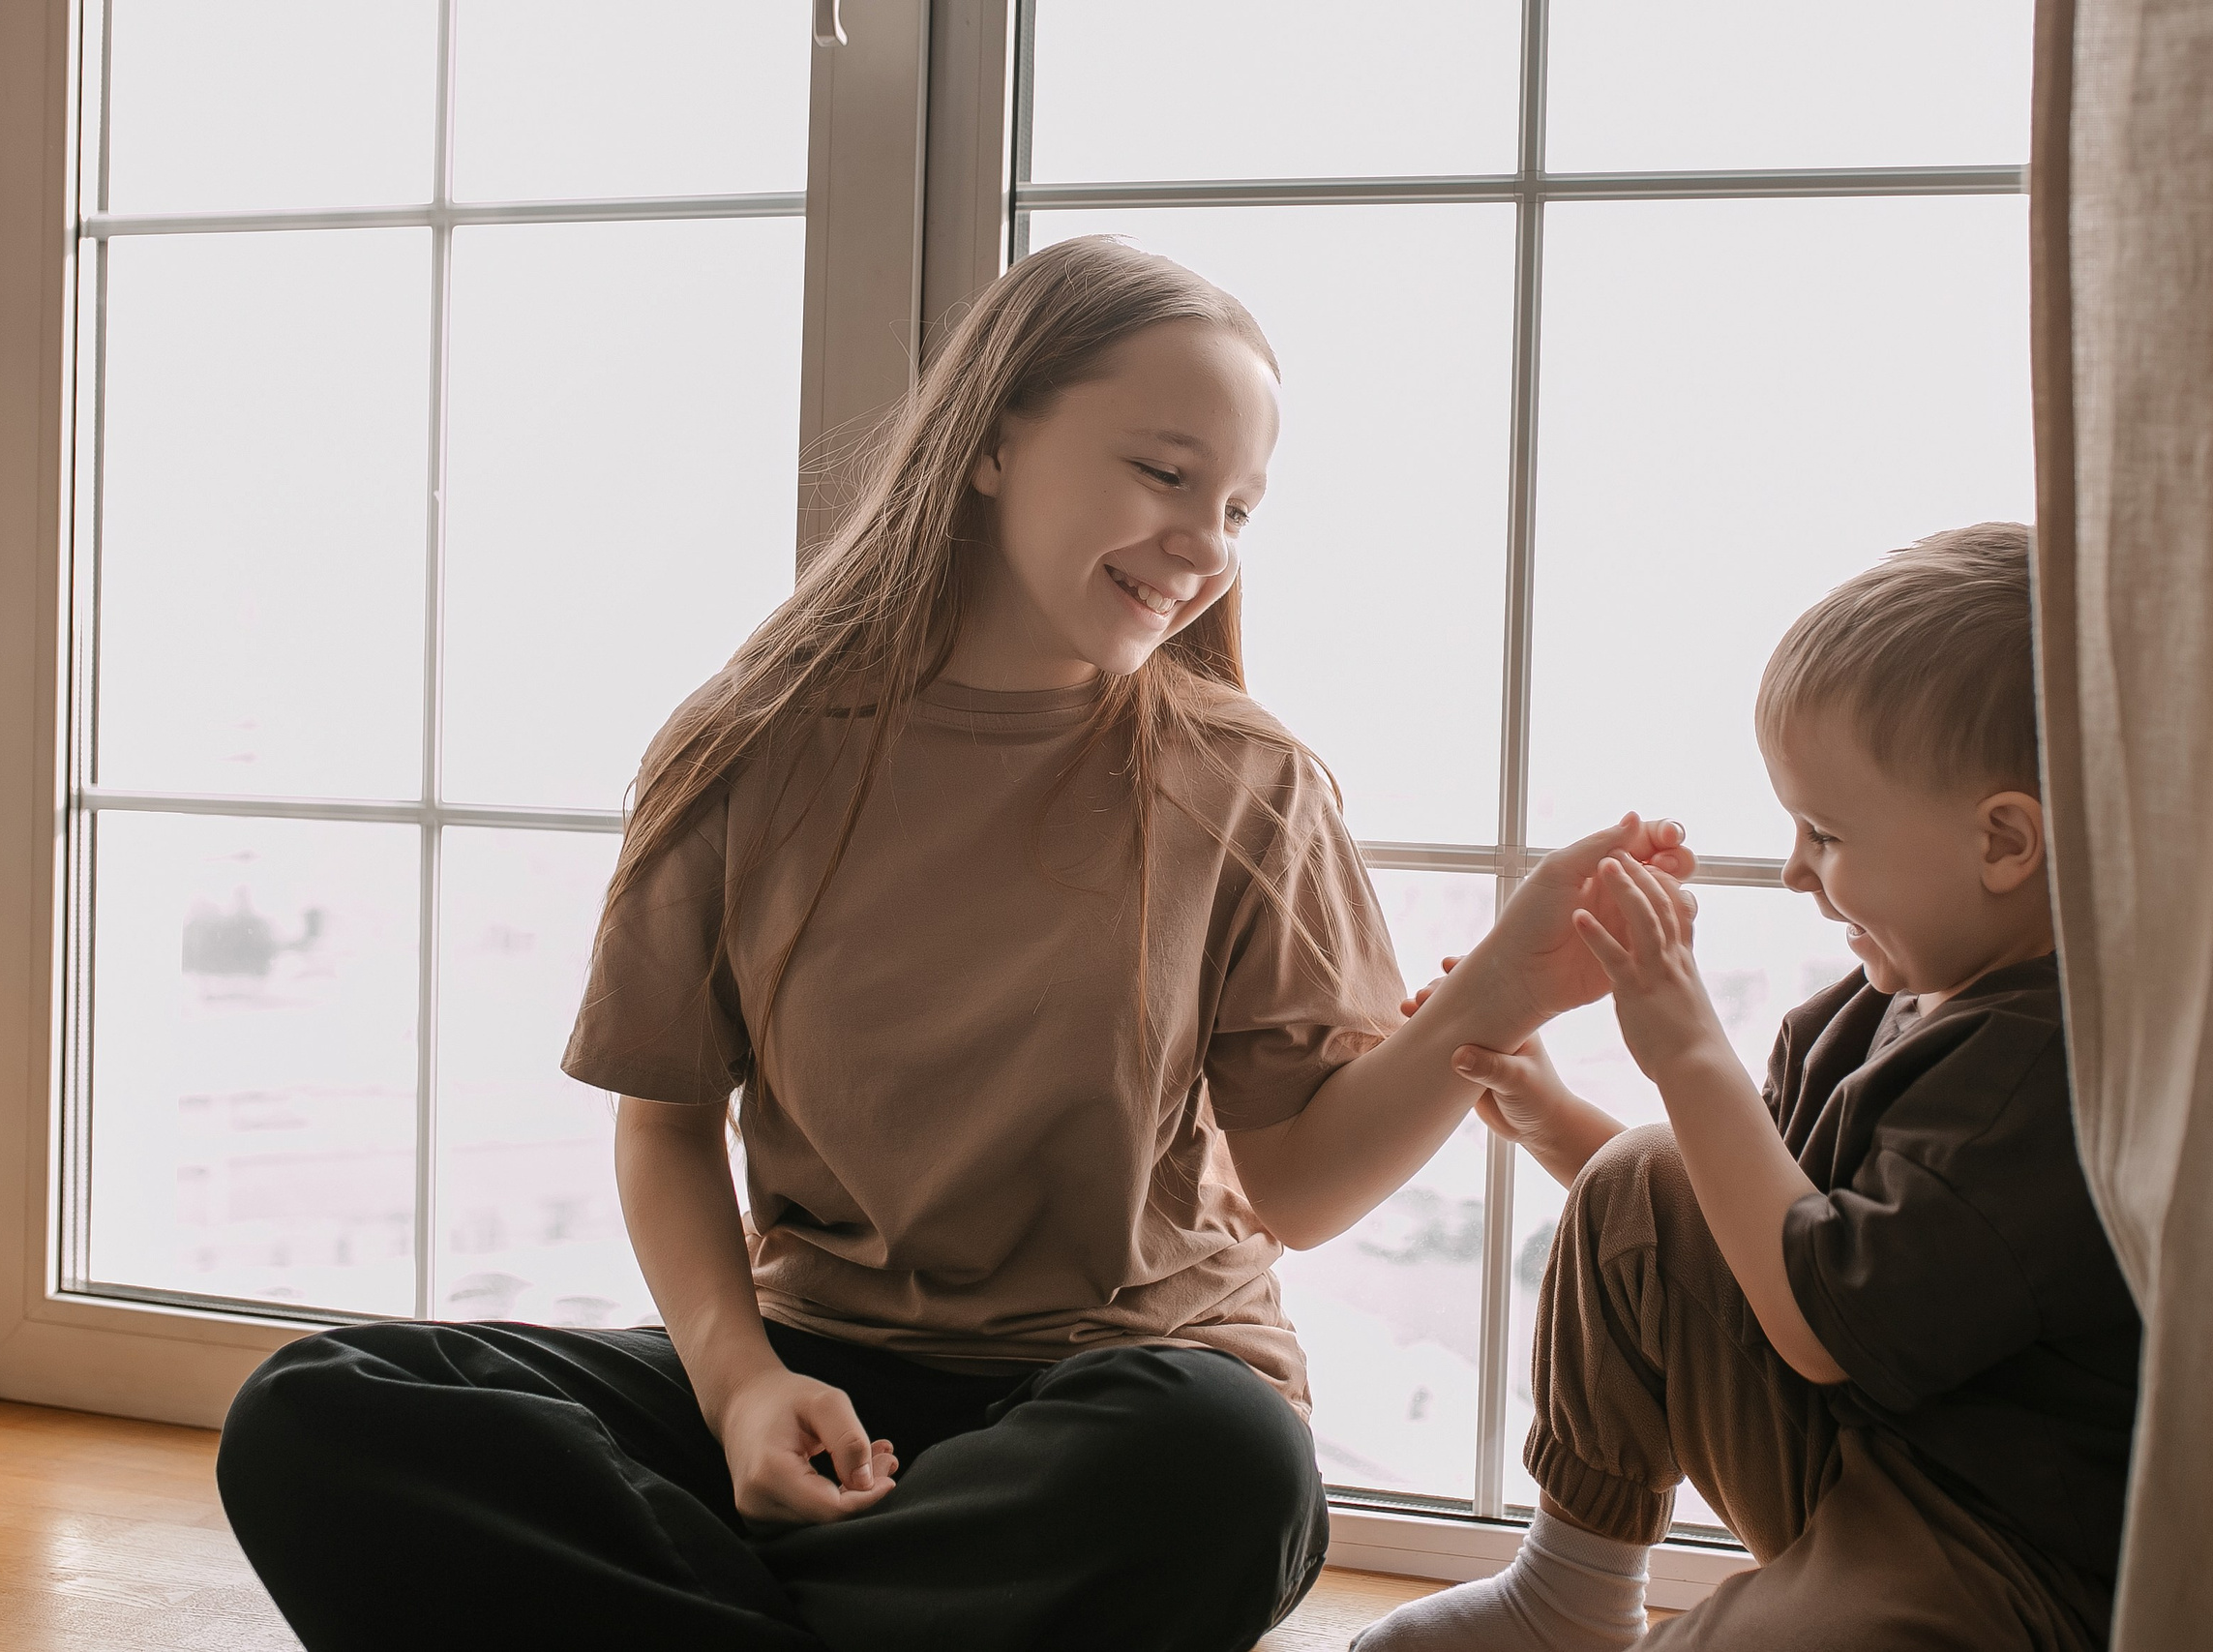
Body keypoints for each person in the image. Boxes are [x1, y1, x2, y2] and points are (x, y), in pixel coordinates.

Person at [214, 236, 1694, 1652]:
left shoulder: (1246, 780)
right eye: (1166, 473)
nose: (1205, 544)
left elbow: (1297, 1187)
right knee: (319, 1409)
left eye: (1241, 508)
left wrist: (1498, 987)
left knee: (1223, 1467)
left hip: (1122, 1401)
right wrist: (740, 1390)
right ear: (991, 440)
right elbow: (665, 1123)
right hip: (817, 1370)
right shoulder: (747, 752)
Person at [1359, 524, 2142, 1651]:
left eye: (1825, 834)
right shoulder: (1878, 1006)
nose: (1792, 871)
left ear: (2003, 842)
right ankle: (1570, 1594)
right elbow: (1750, 1230)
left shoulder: (2046, 1067)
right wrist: (1556, 1122)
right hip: (1866, 1449)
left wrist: (1687, 1050)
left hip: (1996, 1547)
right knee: (1642, 1177)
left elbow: (1822, 1325)